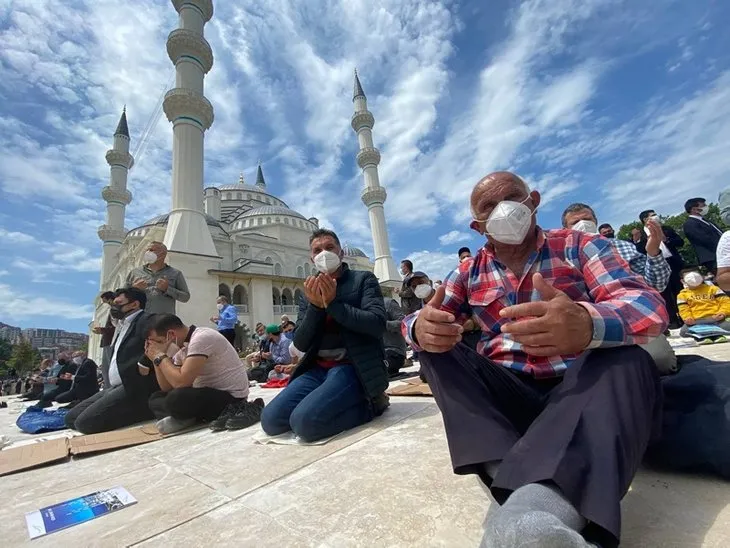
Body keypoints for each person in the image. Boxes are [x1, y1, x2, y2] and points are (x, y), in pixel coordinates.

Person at [405, 171, 668, 548]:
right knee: (436, 349)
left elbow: (646, 305)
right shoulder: (468, 271)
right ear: (478, 226)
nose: (503, 211)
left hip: (581, 387)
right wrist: (419, 328)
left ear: (534, 201)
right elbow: (419, 318)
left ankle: (536, 514)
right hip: (511, 395)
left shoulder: (579, 246)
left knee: (627, 358)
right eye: (489, 208)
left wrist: (587, 323)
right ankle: (527, 482)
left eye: (511, 198)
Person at [261, 228, 390, 442]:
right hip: (319, 368)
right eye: (317, 250)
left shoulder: (362, 280)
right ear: (311, 258)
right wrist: (316, 305)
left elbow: (376, 324)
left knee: (305, 423)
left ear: (341, 253)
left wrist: (332, 303)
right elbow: (300, 342)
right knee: (271, 421)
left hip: (353, 367)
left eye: (329, 248)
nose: (324, 253)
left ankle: (372, 405)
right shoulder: (309, 291)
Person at [562, 203, 678, 373]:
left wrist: (653, 252)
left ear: (595, 221)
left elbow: (655, 285)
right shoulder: (559, 255)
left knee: (660, 360)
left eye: (587, 219)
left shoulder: (622, 246)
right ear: (565, 228)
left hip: (627, 321)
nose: (583, 224)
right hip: (581, 326)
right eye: (576, 221)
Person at [145, 314, 262, 434]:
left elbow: (181, 382)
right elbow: (167, 387)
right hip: (206, 394)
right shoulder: (182, 348)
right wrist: (156, 360)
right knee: (156, 398)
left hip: (231, 398)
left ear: (171, 335)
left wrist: (160, 356)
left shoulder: (201, 338)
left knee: (176, 398)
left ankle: (185, 418)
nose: (159, 346)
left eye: (160, 341)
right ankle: (188, 417)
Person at [65, 288, 158, 434]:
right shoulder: (122, 325)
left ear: (134, 304)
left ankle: (147, 410)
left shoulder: (147, 320)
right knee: (71, 419)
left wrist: (144, 362)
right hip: (114, 386)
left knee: (85, 424)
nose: (114, 307)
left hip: (133, 385)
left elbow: (161, 342)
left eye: (119, 303)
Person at [638, 209, 686, 328]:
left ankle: (685, 317)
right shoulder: (641, 235)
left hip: (673, 263)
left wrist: (665, 238)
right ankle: (672, 320)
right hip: (655, 265)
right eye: (652, 215)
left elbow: (680, 242)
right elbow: (639, 251)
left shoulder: (666, 229)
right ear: (645, 219)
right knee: (663, 294)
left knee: (679, 291)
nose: (656, 216)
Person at [125, 241, 190, 314]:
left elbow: (185, 297)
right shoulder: (135, 272)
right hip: (139, 320)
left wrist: (167, 289)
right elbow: (121, 296)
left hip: (163, 321)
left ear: (163, 254)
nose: (148, 252)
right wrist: (134, 289)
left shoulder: (175, 273)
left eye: (152, 250)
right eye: (147, 250)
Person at [676, 267, 730, 342]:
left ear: (702, 277)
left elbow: (725, 302)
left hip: (716, 319)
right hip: (697, 321)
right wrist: (687, 318)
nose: (693, 277)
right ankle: (711, 335)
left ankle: (710, 335)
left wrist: (723, 313)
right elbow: (683, 309)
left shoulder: (713, 289)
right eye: (688, 276)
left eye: (696, 275)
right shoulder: (682, 295)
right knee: (684, 331)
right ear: (682, 281)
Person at [683, 197, 723, 275]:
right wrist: (723, 246)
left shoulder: (706, 221)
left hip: (723, 253)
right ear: (694, 209)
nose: (706, 207)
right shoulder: (690, 224)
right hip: (713, 257)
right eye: (703, 205)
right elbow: (705, 240)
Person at [92, 290, 117, 389]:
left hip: (110, 342)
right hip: (107, 341)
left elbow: (116, 328)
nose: (103, 303)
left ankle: (109, 388)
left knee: (108, 368)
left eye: (104, 300)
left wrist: (102, 330)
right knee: (105, 368)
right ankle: (108, 388)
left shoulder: (115, 310)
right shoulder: (112, 309)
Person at [383, 296, 407, 377]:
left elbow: (404, 324)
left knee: (378, 371)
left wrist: (382, 324)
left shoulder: (388, 303)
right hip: (376, 354)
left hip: (394, 352)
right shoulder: (363, 309)